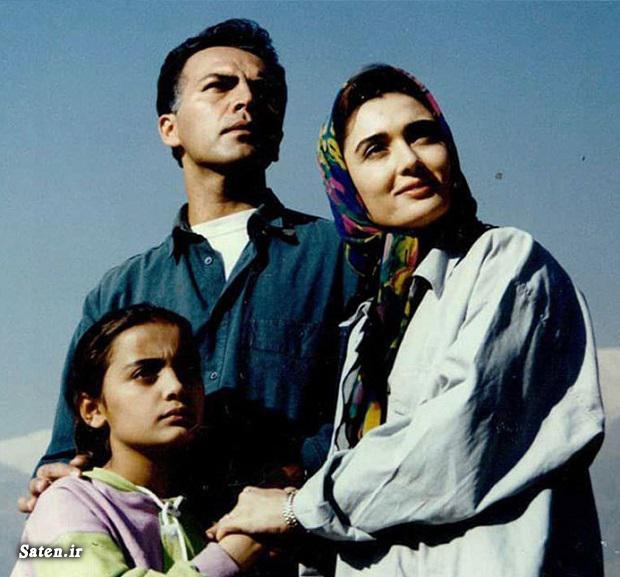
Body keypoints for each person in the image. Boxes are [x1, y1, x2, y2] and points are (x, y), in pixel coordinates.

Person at [208, 65, 605, 577]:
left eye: (423, 136)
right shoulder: (370, 326)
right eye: (376, 149)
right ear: (347, 184)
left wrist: (297, 508)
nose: (410, 161)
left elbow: (457, 447)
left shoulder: (506, 263)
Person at [23, 18, 358, 534]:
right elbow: (71, 453)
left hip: (305, 548)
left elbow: (383, 411)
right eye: (220, 86)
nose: (246, 100)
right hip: (158, 555)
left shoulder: (347, 257)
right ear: (169, 128)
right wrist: (56, 482)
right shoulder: (120, 292)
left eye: (264, 92)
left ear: (278, 134)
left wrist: (295, 476)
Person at [12, 304, 263, 577]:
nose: (176, 386)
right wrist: (232, 554)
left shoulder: (194, 519)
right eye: (145, 373)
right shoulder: (66, 503)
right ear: (92, 409)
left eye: (188, 370)